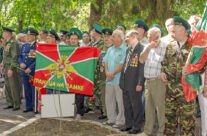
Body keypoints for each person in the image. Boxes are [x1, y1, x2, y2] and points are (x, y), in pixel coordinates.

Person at [161, 16, 195, 136]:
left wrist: (191, 69)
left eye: (175, 30)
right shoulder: (171, 45)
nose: (173, 32)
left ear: (184, 31)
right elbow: (164, 63)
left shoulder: (194, 47)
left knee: (187, 124)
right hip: (171, 91)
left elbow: (202, 66)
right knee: (169, 122)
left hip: (186, 92)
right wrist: (162, 72)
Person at [138, 27, 167, 136]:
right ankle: (147, 131)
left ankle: (161, 131)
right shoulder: (147, 46)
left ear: (157, 36)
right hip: (148, 81)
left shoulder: (165, 46)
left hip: (158, 81)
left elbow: (167, 63)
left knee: (160, 108)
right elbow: (141, 60)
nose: (148, 38)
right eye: (148, 36)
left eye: (150, 36)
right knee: (148, 108)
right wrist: (149, 47)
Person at [119, 30, 144, 134]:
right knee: (127, 105)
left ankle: (137, 126)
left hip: (134, 83)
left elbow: (141, 68)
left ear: (134, 37)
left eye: (128, 36)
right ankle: (128, 125)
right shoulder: (128, 49)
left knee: (136, 106)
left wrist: (140, 83)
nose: (126, 38)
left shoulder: (141, 49)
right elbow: (125, 65)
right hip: (126, 82)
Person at [102, 29, 126, 128]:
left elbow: (122, 64)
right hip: (109, 79)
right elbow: (105, 61)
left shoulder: (125, 49)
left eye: (114, 36)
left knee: (120, 101)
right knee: (109, 100)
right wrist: (107, 72)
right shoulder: (110, 49)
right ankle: (111, 119)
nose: (112, 38)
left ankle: (120, 120)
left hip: (118, 79)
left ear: (120, 38)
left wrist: (113, 74)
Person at [18, 28, 38, 113]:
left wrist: (31, 68)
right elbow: (20, 57)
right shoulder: (24, 45)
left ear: (34, 36)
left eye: (30, 35)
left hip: (32, 72)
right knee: (26, 90)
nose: (28, 37)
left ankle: (35, 107)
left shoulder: (37, 46)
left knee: (33, 90)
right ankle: (28, 106)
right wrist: (21, 63)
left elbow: (38, 59)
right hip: (24, 71)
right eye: (27, 35)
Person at [2, 26, 21, 111]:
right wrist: (3, 64)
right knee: (8, 85)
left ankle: (16, 104)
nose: (2, 34)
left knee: (13, 86)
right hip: (6, 66)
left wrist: (11, 68)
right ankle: (10, 103)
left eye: (4, 32)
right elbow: (6, 55)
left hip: (11, 67)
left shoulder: (13, 43)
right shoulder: (7, 42)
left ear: (8, 33)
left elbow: (14, 57)